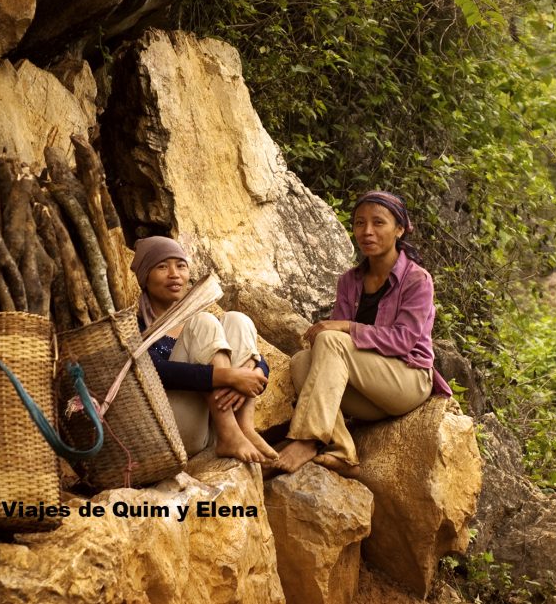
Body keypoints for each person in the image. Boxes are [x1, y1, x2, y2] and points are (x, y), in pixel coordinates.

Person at [274, 191, 453, 477]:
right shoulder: (350, 281)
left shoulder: (417, 279)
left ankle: (307, 439)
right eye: (359, 223)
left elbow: (403, 340)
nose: (367, 231)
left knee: (332, 338)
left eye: (378, 223)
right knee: (301, 361)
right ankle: (344, 449)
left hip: (407, 381)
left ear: (399, 229)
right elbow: (330, 353)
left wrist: (346, 326)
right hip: (369, 395)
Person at [130, 236, 279, 464]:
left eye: (180, 266)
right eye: (162, 267)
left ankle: (244, 428)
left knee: (236, 320)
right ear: (145, 277)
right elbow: (157, 372)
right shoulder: (135, 327)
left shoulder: (192, 321)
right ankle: (229, 433)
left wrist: (254, 370)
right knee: (204, 321)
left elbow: (256, 358)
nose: (174, 274)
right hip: (175, 431)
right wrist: (228, 376)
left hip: (211, 425)